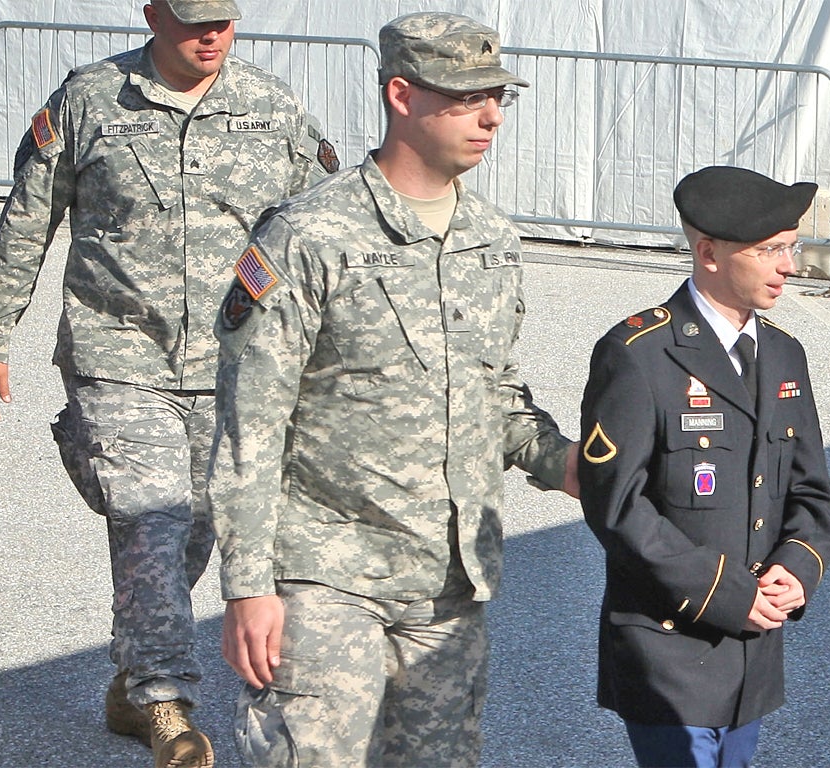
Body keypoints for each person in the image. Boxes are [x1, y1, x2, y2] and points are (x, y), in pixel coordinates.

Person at [0, 1, 337, 765]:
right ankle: (166, 703)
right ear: (152, 15)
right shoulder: (89, 99)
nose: (211, 36)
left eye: (224, 22)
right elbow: (27, 223)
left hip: (237, 361)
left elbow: (322, 226)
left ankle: (133, 676)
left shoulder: (272, 105)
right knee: (149, 517)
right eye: (194, 19)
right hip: (119, 352)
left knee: (197, 522)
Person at [207, 11, 578, 767]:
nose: (490, 115)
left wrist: (572, 465)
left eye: (499, 97)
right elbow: (251, 420)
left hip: (449, 583)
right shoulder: (309, 234)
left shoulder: (491, 239)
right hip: (327, 573)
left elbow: (494, 395)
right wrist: (247, 584)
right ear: (402, 95)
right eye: (466, 96)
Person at [578, 165, 830, 767]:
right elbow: (616, 505)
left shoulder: (782, 353)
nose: (789, 266)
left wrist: (798, 568)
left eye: (791, 247)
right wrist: (724, 590)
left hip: (751, 651)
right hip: (670, 647)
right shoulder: (639, 354)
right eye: (771, 249)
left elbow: (812, 490)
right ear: (708, 253)